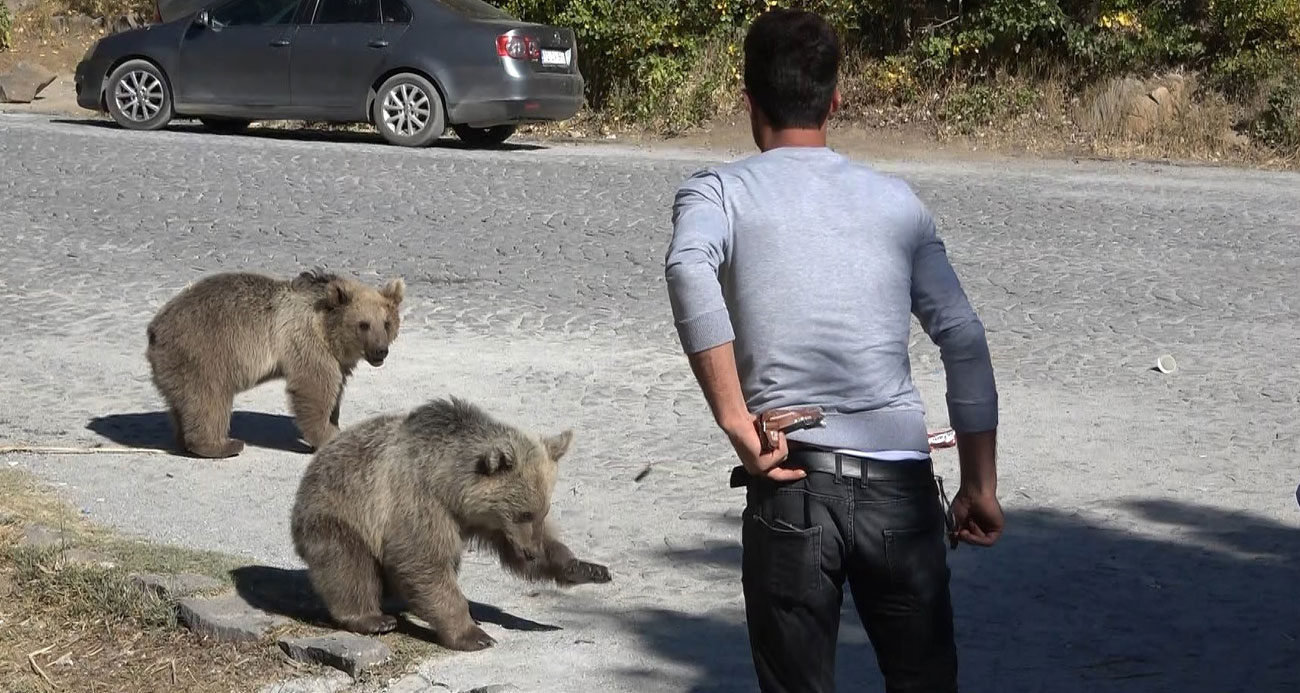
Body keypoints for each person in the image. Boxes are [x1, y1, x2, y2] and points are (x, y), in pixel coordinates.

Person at [663, 8, 1004, 693]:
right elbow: (963, 337)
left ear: (749, 101)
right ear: (836, 100)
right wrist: (980, 484)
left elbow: (685, 265)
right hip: (901, 496)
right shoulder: (898, 203)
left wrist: (735, 418)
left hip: (792, 483)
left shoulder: (718, 192)